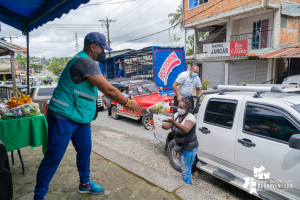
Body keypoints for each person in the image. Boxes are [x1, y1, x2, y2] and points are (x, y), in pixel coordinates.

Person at [34, 32, 139, 200]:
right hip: (62, 116)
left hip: (79, 117)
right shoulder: (85, 61)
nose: (103, 52)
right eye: (102, 48)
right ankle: (39, 196)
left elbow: (87, 91)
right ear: (93, 47)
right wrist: (128, 103)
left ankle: (84, 184)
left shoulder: (88, 62)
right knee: (53, 158)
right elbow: (110, 91)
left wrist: (87, 116)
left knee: (84, 150)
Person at [161, 98, 198, 184]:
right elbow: (167, 126)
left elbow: (185, 129)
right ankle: (188, 182)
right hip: (181, 146)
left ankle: (186, 188)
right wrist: (161, 124)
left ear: (187, 109)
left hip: (189, 147)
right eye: (178, 106)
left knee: (185, 170)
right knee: (185, 167)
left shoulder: (191, 117)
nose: (179, 108)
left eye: (182, 107)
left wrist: (173, 122)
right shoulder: (176, 115)